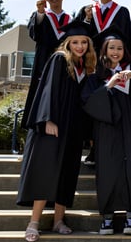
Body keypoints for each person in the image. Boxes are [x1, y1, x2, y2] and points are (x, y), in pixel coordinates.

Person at [17, 19, 97, 242]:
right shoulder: (59, 59)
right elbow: (48, 89)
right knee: (46, 172)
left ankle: (58, 220)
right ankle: (33, 223)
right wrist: (48, 119)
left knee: (67, 174)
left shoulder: (85, 66)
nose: (80, 46)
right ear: (68, 43)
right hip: (52, 126)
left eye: (84, 42)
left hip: (73, 128)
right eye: (75, 42)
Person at [81, 26, 131, 235]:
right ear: (104, 50)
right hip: (107, 130)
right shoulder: (95, 77)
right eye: (111, 48)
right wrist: (108, 85)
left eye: (119, 48)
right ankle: (107, 218)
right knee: (108, 170)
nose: (116, 52)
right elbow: (88, 103)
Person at [75, 0, 131, 166]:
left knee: (111, 105)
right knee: (92, 104)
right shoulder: (87, 10)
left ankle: (109, 148)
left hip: (113, 66)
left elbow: (126, 40)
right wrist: (87, 19)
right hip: (92, 65)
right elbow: (79, 36)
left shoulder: (122, 11)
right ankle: (92, 149)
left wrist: (123, 65)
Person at [21, 0, 72, 131]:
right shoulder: (40, 15)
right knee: (40, 96)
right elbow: (34, 33)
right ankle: (37, 134)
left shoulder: (70, 19)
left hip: (64, 66)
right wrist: (40, 13)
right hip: (43, 64)